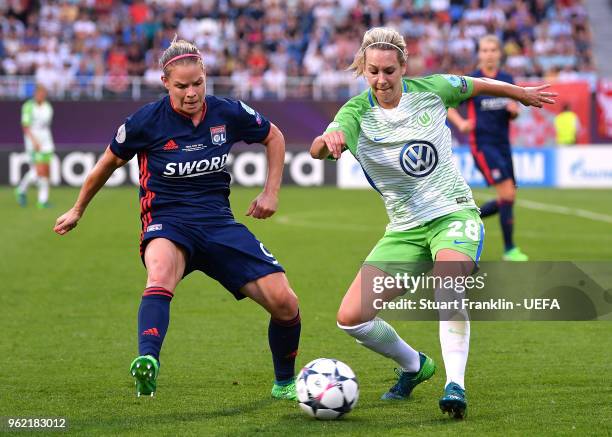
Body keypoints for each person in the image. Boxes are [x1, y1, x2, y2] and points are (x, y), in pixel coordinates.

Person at [310, 27, 556, 419]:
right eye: (372, 71)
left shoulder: (433, 89)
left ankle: (454, 384)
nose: (381, 80)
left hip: (453, 215)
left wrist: (520, 92)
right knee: (351, 318)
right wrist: (329, 140)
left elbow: (477, 84)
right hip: (405, 231)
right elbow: (319, 147)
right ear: (362, 68)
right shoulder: (355, 113)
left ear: (403, 67)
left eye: (389, 71)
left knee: (447, 284)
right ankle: (415, 366)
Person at [54, 38, 301, 400]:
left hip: (218, 222)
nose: (191, 93)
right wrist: (77, 208)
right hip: (167, 222)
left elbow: (274, 136)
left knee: (285, 301)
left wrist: (271, 192)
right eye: (182, 86)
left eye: (198, 83)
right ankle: (147, 363)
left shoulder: (227, 112)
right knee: (160, 274)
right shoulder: (145, 122)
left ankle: (284, 384)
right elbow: (105, 165)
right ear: (165, 82)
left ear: (205, 78)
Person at [447, 34, 528, 261]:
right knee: (507, 193)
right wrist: (461, 123)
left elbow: (514, 107)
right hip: (482, 145)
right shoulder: (472, 81)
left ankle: (467, 220)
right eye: (484, 50)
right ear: (479, 54)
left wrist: (514, 111)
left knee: (508, 196)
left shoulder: (506, 79)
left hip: (503, 145)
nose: (489, 54)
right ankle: (510, 250)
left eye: (493, 49)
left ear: (499, 53)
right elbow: (448, 105)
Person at [15, 84, 55, 208]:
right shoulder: (28, 106)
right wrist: (34, 141)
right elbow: (25, 126)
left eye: (43, 94)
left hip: (46, 141)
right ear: (35, 94)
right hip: (34, 141)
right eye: (39, 93)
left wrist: (44, 141)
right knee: (39, 170)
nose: (41, 96)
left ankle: (40, 199)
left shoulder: (48, 107)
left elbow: (46, 125)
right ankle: (27, 192)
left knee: (45, 170)